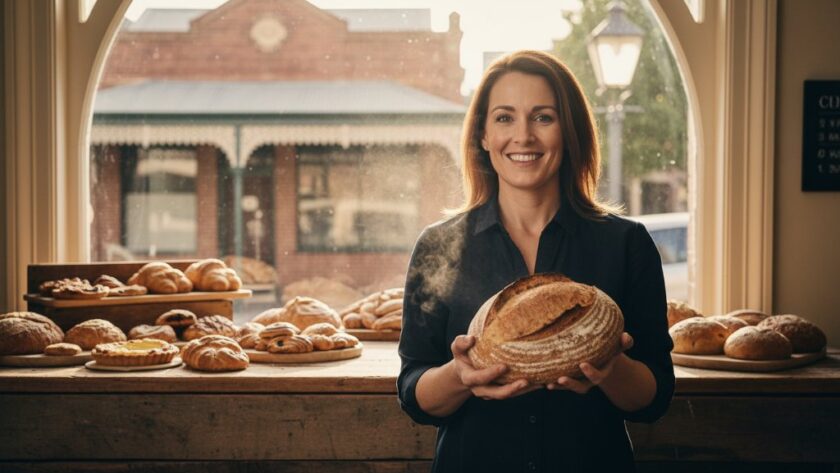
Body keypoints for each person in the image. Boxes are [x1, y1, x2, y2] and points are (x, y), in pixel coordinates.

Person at [397, 50, 675, 472]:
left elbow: (655, 398)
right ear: (483, 136)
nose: (523, 136)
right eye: (504, 118)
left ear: (570, 131)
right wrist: (460, 377)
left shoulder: (626, 243)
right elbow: (413, 390)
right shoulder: (438, 246)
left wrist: (610, 369)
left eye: (543, 117)